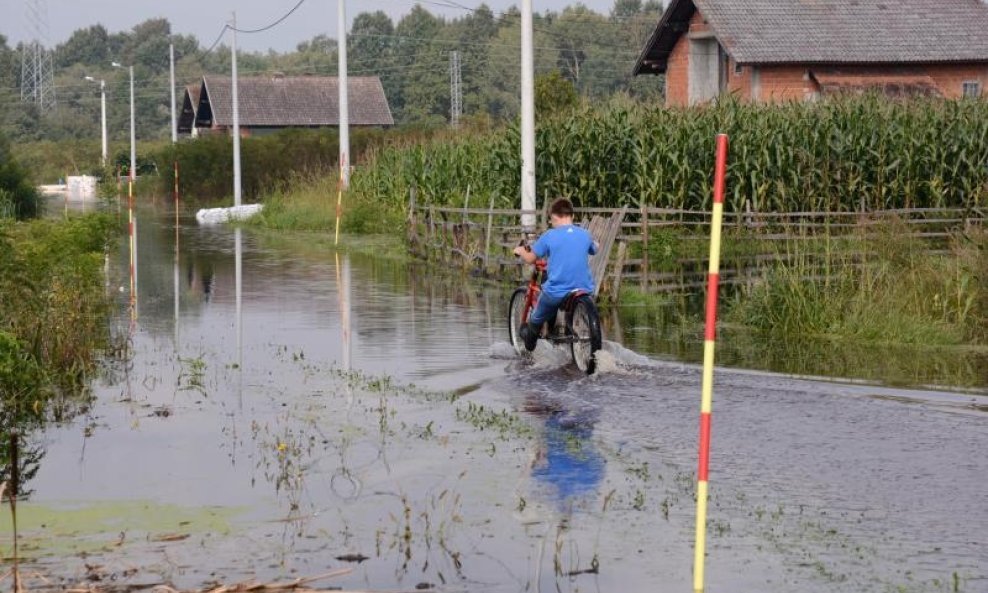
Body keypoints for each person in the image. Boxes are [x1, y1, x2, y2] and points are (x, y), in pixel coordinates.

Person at [512, 197, 597, 351]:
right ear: (572, 216)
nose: (552, 223)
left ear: (554, 217)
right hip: (584, 289)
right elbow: (594, 248)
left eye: (551, 220)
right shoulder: (585, 234)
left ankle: (529, 342)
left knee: (536, 319)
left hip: (557, 292)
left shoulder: (549, 235)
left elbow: (531, 258)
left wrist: (520, 251)